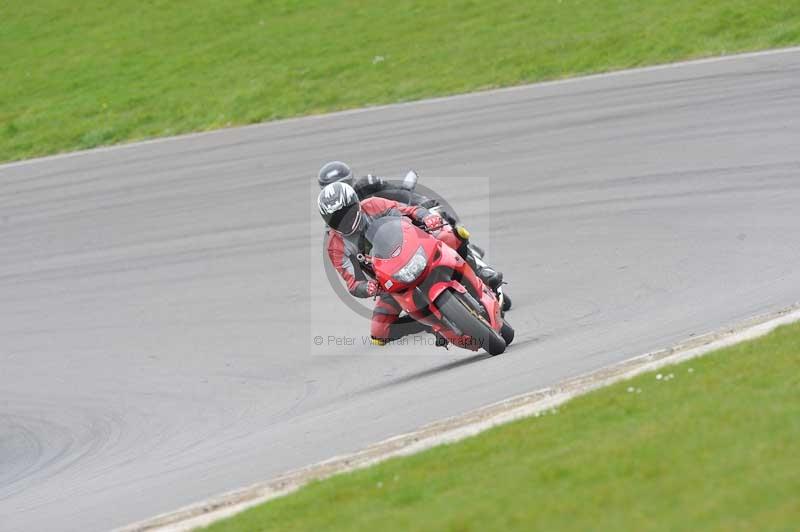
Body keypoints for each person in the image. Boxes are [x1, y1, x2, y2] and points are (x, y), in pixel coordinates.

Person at [319, 181, 491, 345]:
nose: (344, 221)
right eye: (336, 219)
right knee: (379, 333)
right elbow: (353, 282)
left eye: (346, 213)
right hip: (389, 282)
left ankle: (479, 273)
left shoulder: (373, 205)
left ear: (355, 204)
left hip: (417, 250)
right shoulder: (336, 246)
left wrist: (428, 217)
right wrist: (368, 287)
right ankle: (433, 326)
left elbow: (409, 211)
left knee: (451, 236)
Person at [316, 161, 505, 293]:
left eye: (342, 185)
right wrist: (368, 284)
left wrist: (426, 208)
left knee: (446, 233)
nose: (338, 196)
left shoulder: (369, 184)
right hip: (382, 257)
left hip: (405, 222)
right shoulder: (334, 229)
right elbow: (349, 268)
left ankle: (481, 270)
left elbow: (400, 192)